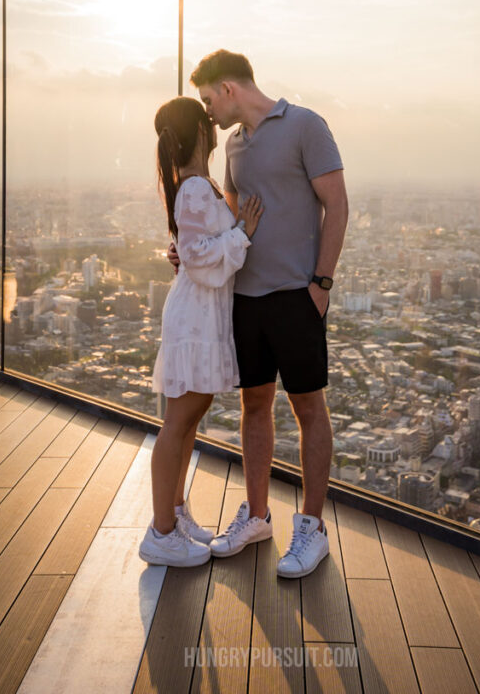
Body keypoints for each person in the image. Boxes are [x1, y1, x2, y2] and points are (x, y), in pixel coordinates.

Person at [174, 50, 348, 579]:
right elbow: (229, 217)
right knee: (254, 405)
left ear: (227, 88)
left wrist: (319, 285)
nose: (208, 112)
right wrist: (189, 248)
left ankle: (311, 529)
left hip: (297, 295)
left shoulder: (305, 126)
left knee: (309, 409)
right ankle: (256, 516)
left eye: (208, 99)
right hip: (244, 299)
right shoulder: (234, 145)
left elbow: (337, 205)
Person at [139, 96, 263, 567]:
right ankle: (160, 532)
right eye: (207, 121)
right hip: (194, 317)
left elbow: (187, 249)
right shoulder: (193, 187)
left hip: (201, 314)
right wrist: (243, 232)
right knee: (178, 423)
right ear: (198, 133)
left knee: (188, 419)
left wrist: (223, 238)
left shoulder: (194, 185)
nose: (215, 127)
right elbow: (196, 257)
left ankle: (173, 513)